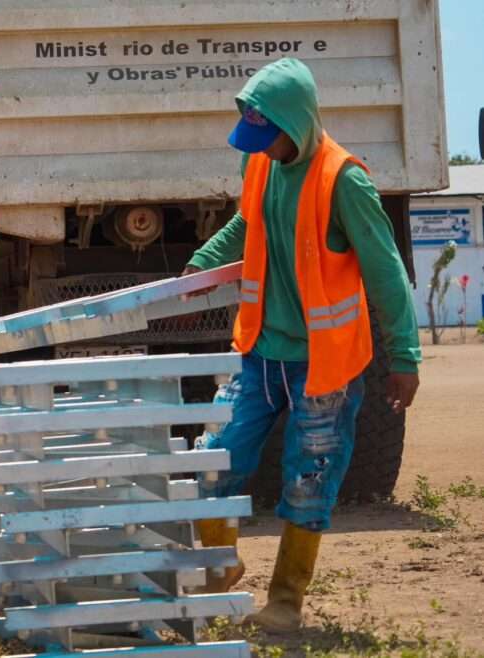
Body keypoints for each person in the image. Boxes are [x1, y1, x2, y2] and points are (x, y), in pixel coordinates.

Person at [184, 57, 421, 631]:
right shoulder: (262, 164)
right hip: (261, 352)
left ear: (297, 121)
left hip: (324, 363)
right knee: (215, 457)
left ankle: (286, 599)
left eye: (270, 136)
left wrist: (406, 356)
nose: (262, 147)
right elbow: (247, 223)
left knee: (310, 475)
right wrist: (204, 263)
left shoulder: (346, 181)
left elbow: (385, 271)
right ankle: (220, 568)